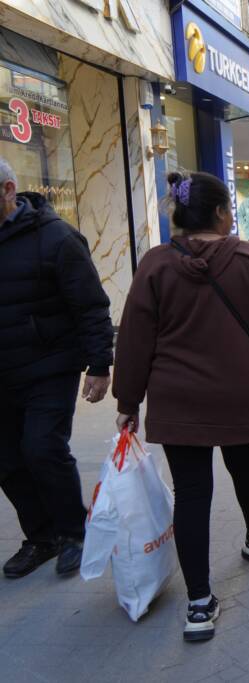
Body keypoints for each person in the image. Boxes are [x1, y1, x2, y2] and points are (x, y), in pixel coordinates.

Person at [113, 171, 249, 641]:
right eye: (229, 206)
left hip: (176, 399)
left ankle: (198, 604)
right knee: (247, 469)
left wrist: (127, 401)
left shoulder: (154, 265)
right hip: (240, 393)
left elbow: (134, 340)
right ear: (218, 212)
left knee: (192, 495)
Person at [0, 157, 114, 580]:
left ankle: (74, 533)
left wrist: (100, 363)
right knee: (7, 461)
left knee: (42, 449)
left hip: (48, 366)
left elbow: (90, 305)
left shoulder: (57, 238)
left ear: (8, 191)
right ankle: (41, 537)